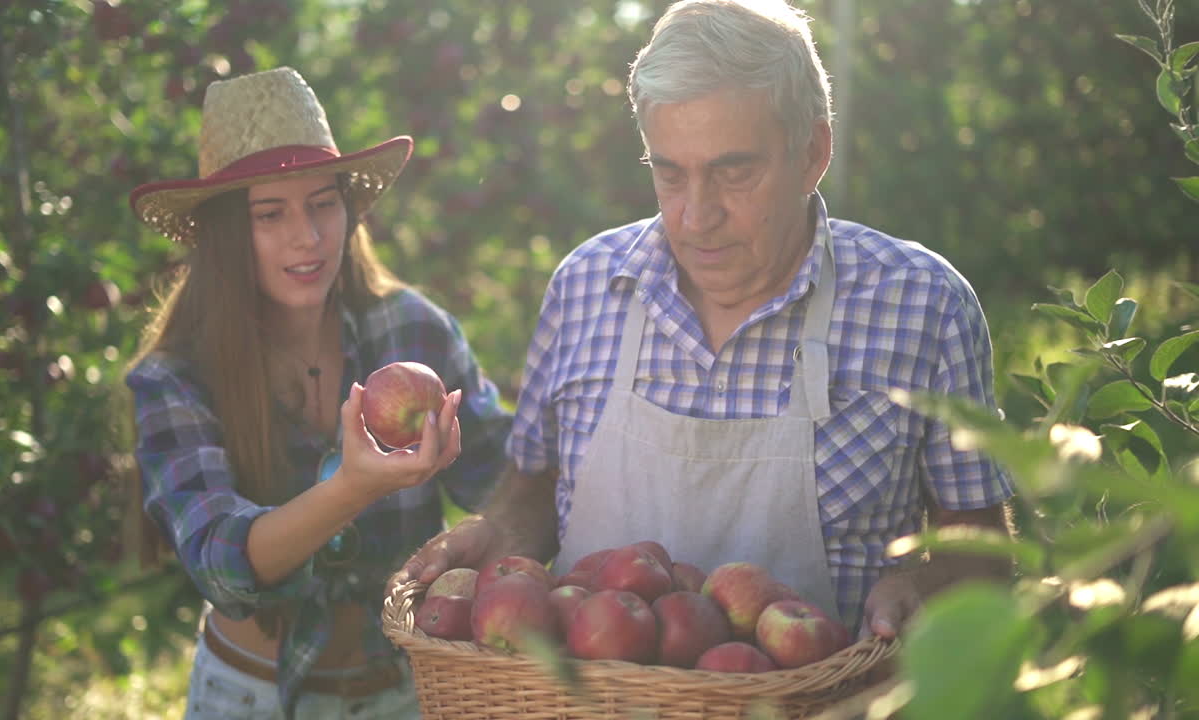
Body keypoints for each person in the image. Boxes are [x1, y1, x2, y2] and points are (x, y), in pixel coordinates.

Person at [395, 0, 1013, 642]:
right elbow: (530, 495)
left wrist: (922, 588)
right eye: (670, 173)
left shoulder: (923, 305)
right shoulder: (585, 287)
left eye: (733, 171)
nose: (695, 215)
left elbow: (982, 553)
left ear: (812, 152)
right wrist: (491, 535)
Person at [124, 67, 511, 719]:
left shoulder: (414, 330)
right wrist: (352, 488)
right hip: (252, 698)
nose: (306, 236)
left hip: (408, 694)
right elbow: (221, 562)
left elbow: (502, 475)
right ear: (225, 234)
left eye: (323, 203)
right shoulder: (177, 376)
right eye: (270, 214)